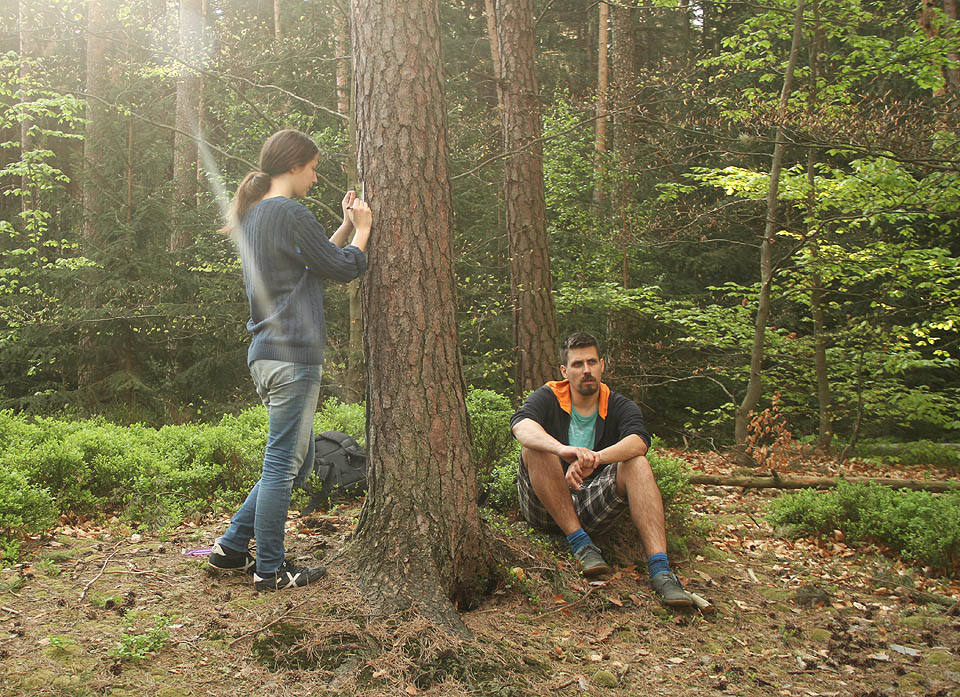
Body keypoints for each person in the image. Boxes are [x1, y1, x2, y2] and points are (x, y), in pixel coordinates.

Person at [207, 129, 372, 591]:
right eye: (314, 167)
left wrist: (343, 227)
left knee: (292, 464)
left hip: (268, 356)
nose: (316, 177)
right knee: (283, 465)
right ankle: (270, 570)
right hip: (292, 356)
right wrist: (363, 231)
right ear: (295, 165)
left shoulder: (259, 214)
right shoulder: (287, 210)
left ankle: (232, 548)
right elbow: (341, 266)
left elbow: (314, 260)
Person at [510, 331, 692, 607]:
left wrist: (592, 459)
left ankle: (661, 571)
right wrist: (563, 451)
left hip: (592, 501)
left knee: (638, 464)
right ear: (564, 370)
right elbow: (521, 424)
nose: (586, 370)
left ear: (602, 365)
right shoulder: (548, 396)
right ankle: (581, 544)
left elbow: (639, 440)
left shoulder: (618, 404)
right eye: (578, 364)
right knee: (537, 447)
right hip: (546, 505)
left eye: (592, 362)